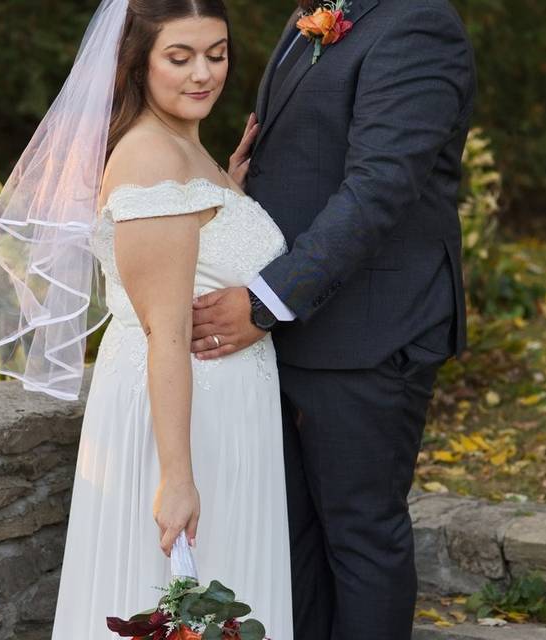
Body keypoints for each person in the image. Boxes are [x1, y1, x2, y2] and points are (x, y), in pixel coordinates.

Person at [0, 0, 293, 637]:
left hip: (228, 417)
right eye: (180, 57)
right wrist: (176, 478)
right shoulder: (150, 158)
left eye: (217, 54)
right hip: (181, 425)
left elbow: (200, 248)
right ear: (137, 63)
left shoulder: (187, 149)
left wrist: (230, 192)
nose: (203, 73)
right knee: (178, 594)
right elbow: (164, 333)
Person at [190, 0, 476, 638]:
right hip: (295, 328)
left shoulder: (418, 26)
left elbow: (379, 188)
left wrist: (265, 301)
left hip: (370, 329)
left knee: (359, 535)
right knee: (294, 535)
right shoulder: (314, 13)